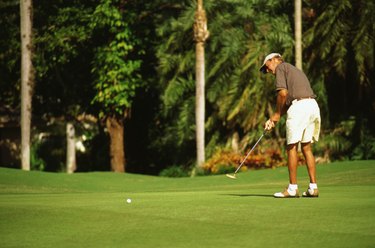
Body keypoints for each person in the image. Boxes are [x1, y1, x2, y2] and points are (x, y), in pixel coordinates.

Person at [260, 53, 321, 198]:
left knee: (291, 147)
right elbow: (288, 100)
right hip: (312, 106)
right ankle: (313, 187)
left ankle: (292, 188)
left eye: (266, 67)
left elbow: (282, 94)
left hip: (300, 107)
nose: (267, 71)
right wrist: (274, 119)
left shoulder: (281, 68)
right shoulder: (293, 70)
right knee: (306, 147)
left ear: (274, 60)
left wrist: (275, 114)